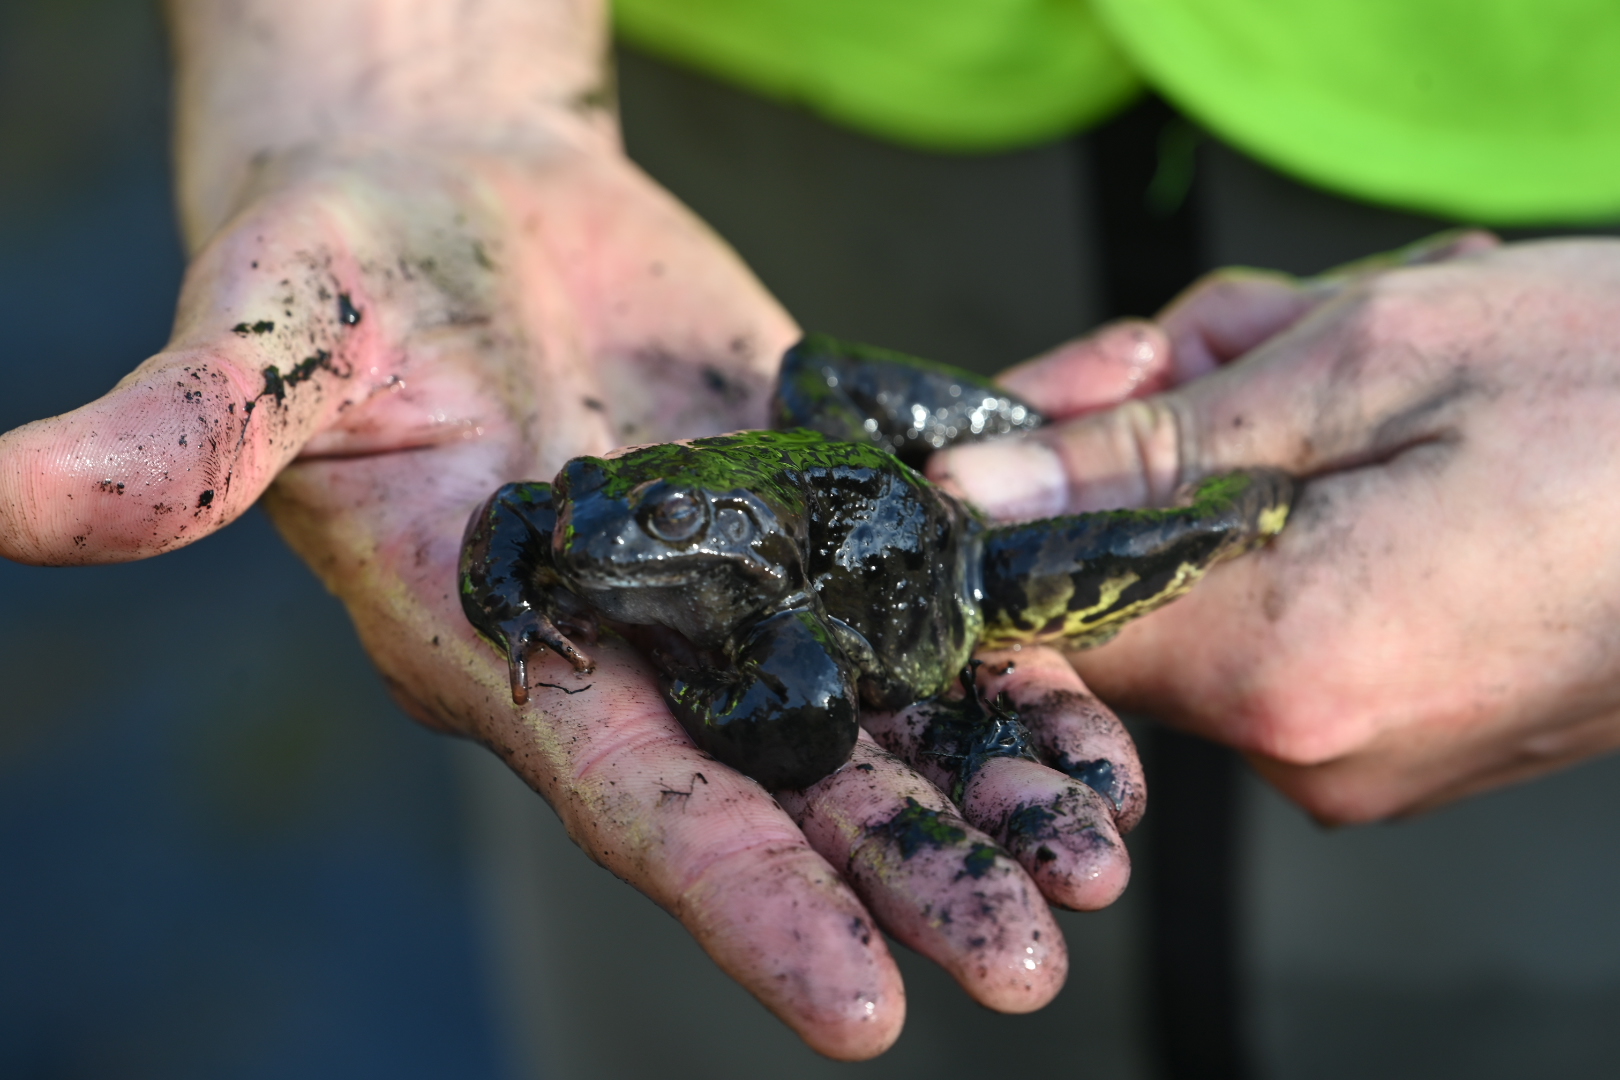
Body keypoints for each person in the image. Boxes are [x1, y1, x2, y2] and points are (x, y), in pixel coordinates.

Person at [2, 0, 1618, 1062]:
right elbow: (525, 523)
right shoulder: (588, 520)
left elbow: (789, 706)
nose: (584, 548)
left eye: (622, 538)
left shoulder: (747, 604)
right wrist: (404, 88)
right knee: (732, 972)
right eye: (593, 523)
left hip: (1545, 217)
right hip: (689, 166)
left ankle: (1239, 511)